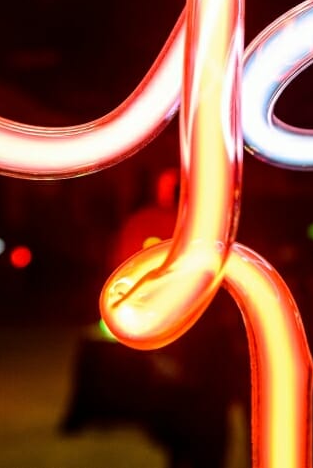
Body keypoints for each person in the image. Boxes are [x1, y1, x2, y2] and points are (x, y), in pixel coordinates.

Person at [60, 167, 244, 468]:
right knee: (190, 418)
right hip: (179, 339)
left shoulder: (207, 228)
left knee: (203, 420)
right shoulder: (160, 224)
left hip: (200, 341)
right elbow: (122, 273)